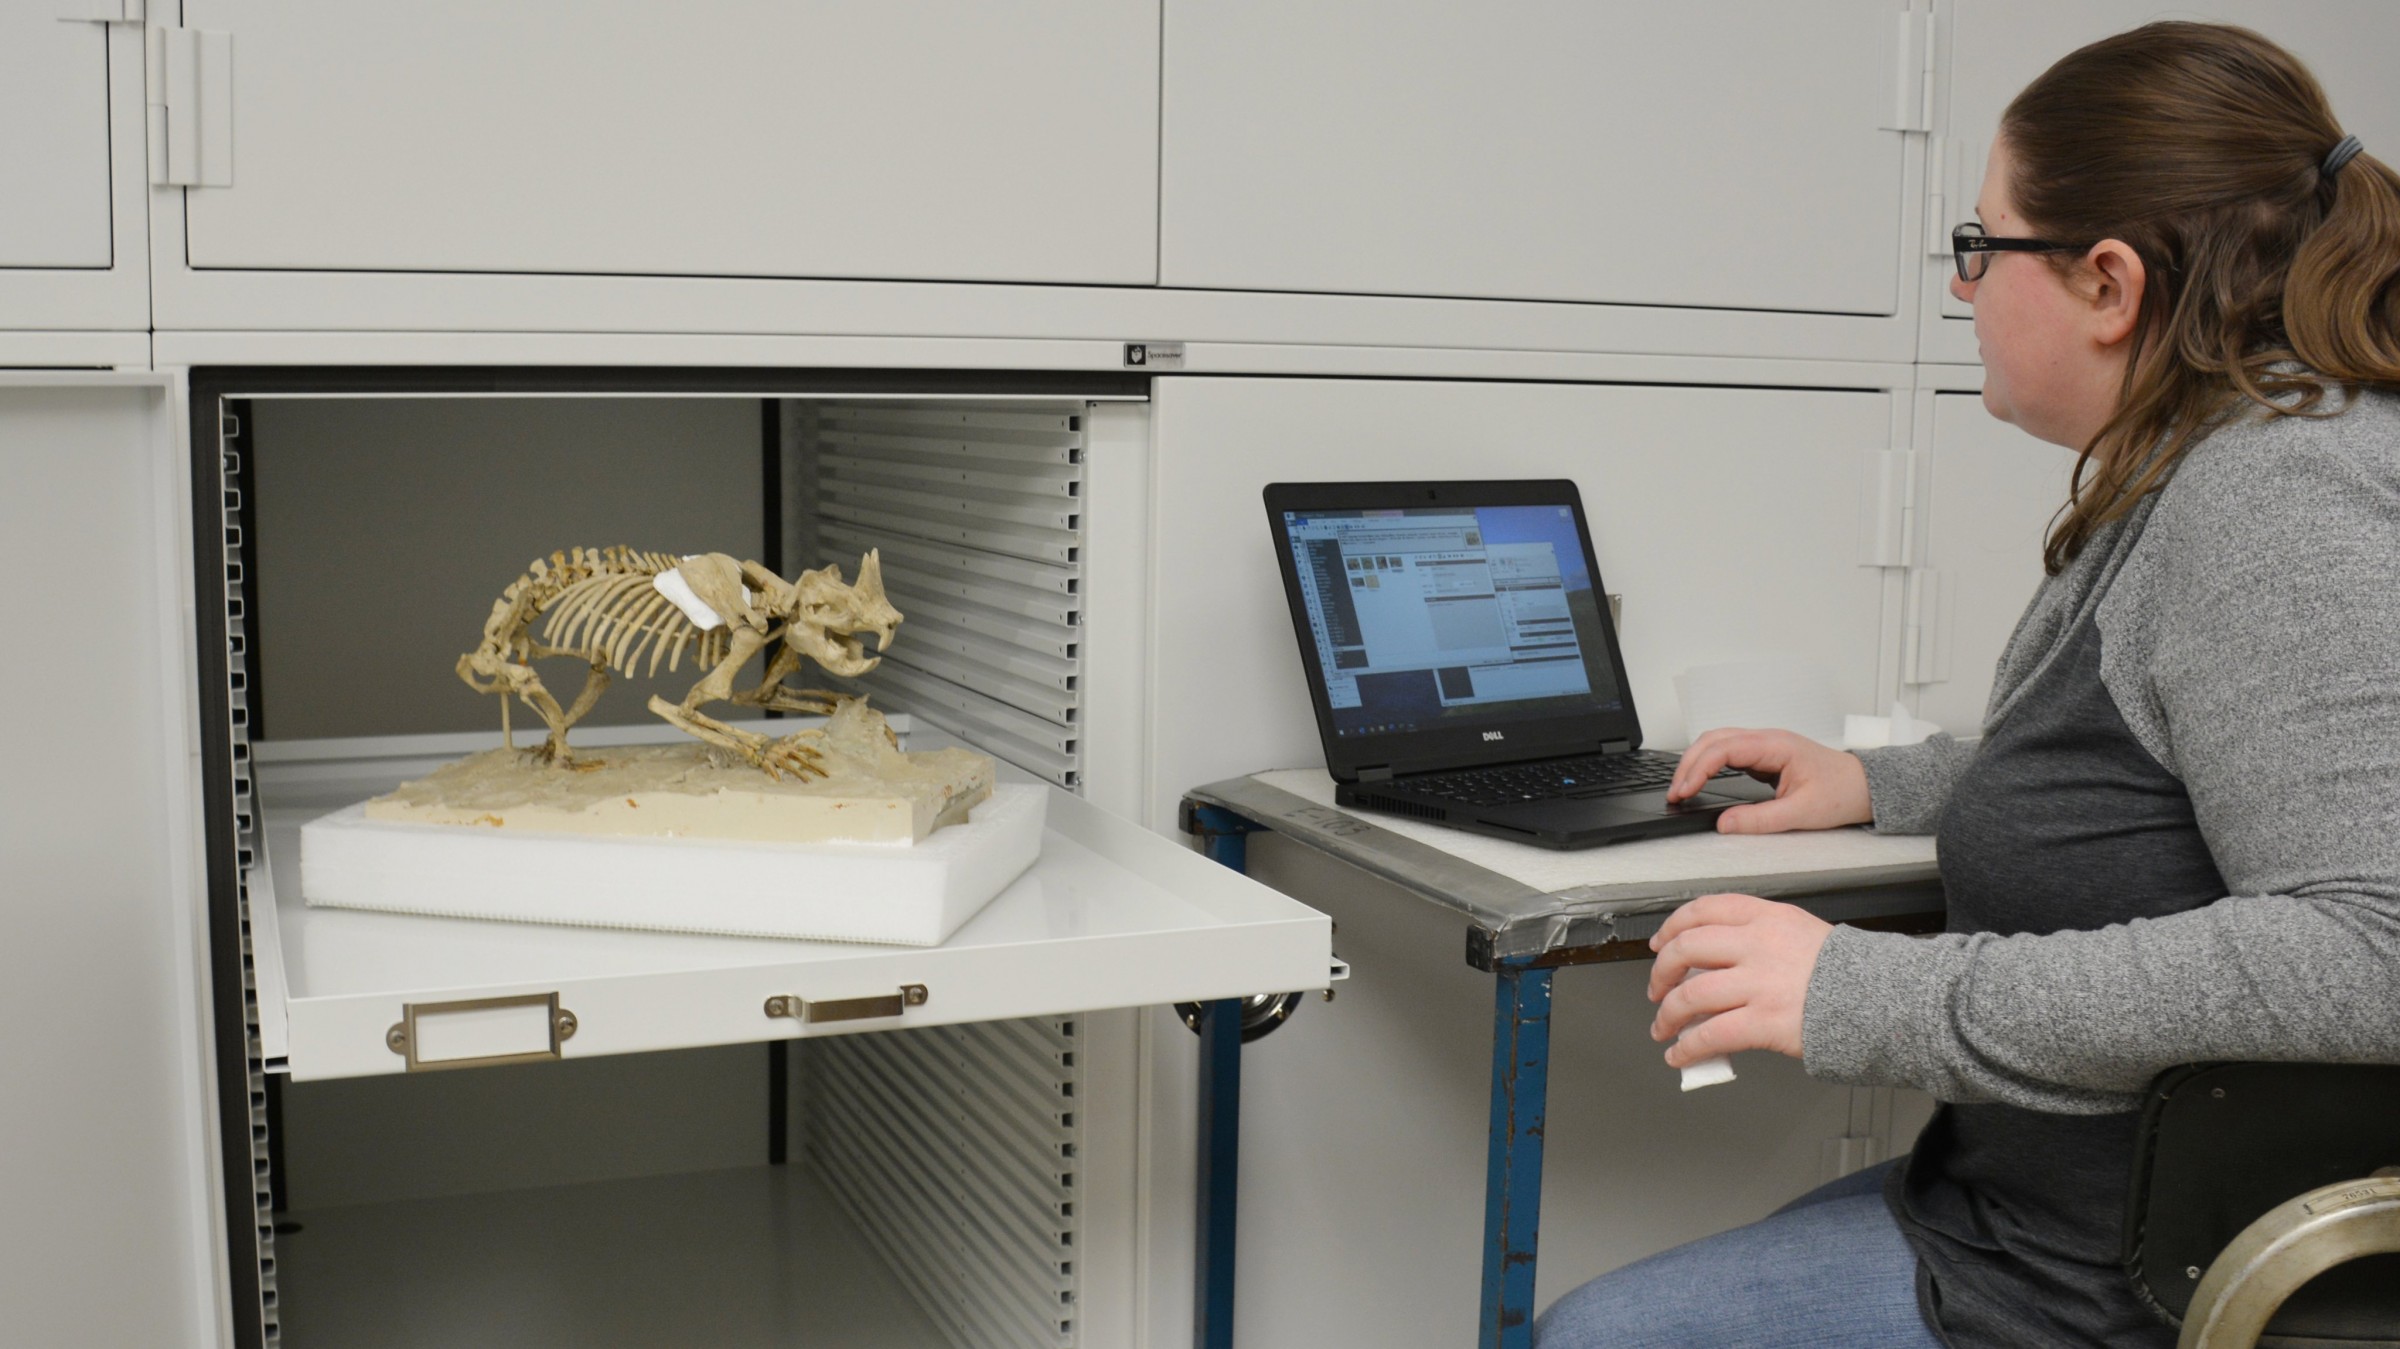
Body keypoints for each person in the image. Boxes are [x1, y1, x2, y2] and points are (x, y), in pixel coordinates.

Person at [1536, 21, 2400, 1349]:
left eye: (1982, 248)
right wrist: (1883, 783)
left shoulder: (2272, 492)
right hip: (2026, 1219)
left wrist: (1863, 993)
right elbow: (2147, 767)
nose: (1961, 288)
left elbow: (2368, 948)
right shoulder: (2214, 454)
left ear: (2109, 283)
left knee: (1594, 1337)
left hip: (2109, 1287)